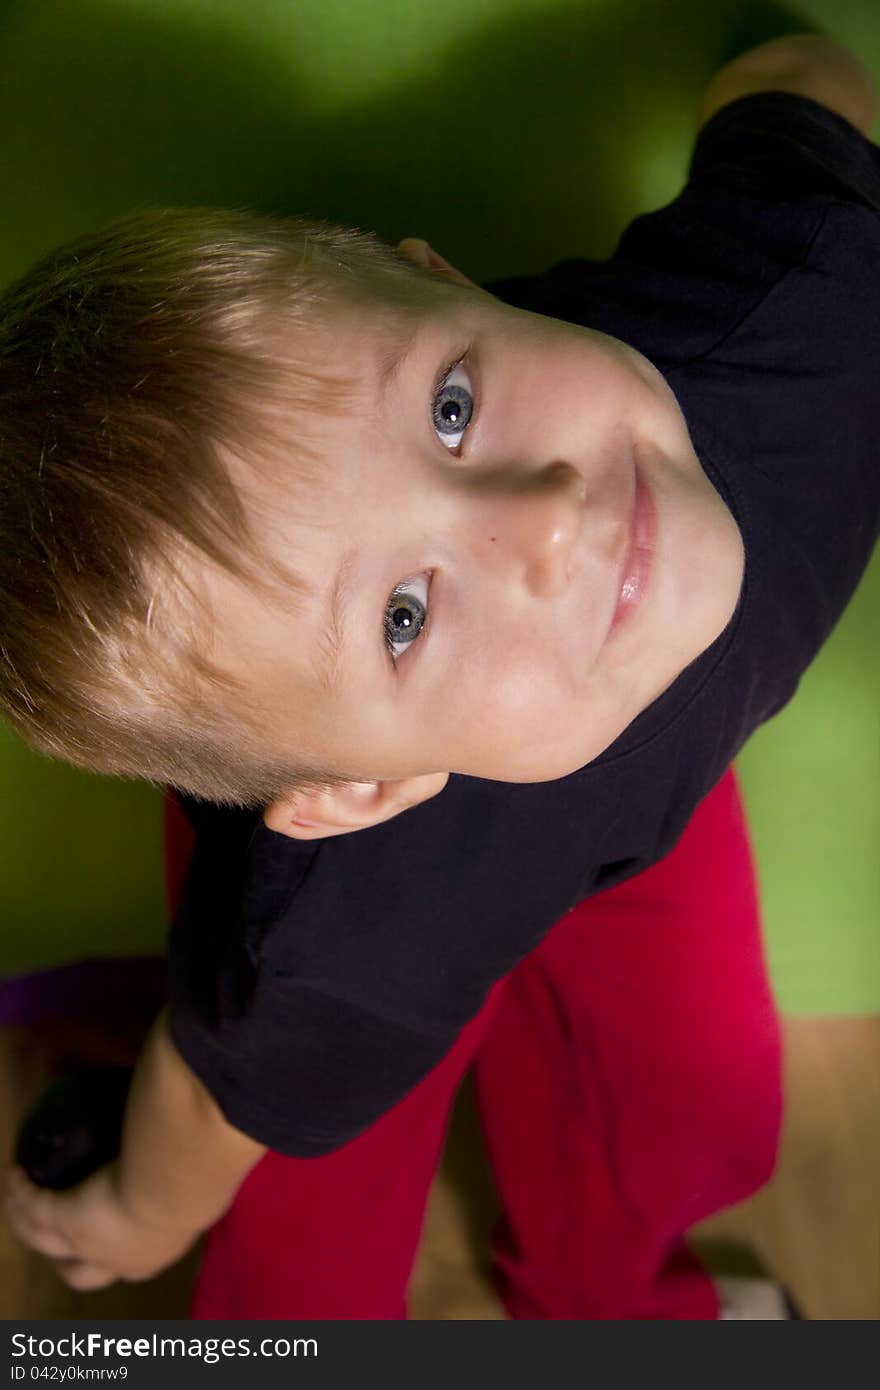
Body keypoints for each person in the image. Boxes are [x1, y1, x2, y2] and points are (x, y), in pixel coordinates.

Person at [1, 32, 877, 1318]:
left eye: (454, 407)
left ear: (443, 280)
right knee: (306, 1238)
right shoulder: (351, 908)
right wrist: (134, 1210)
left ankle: (611, 1303)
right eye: (402, 614)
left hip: (623, 782)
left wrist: (795, 80)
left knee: (711, 1116)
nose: (548, 523)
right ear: (352, 783)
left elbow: (805, 82)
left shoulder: (801, 302)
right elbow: (210, 1083)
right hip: (402, 869)